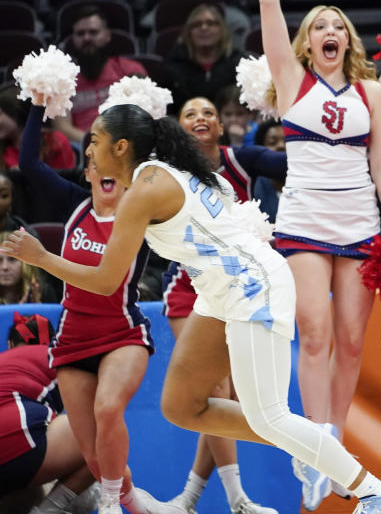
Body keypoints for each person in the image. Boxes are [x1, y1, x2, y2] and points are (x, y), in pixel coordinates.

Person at [0, 103, 381, 514]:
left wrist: (42, 257)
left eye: (95, 142)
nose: (87, 151)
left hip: (252, 287)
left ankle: (378, 493)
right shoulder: (163, 172)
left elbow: (108, 281)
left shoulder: (147, 189)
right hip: (218, 291)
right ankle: (310, 441)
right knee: (182, 406)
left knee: (270, 415)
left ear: (121, 147)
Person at [251, 0, 381, 510]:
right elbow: (268, 2)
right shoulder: (291, 82)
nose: (329, 31)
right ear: (307, 42)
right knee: (312, 332)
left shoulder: (372, 94)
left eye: (337, 25)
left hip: (361, 223)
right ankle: (314, 445)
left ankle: (333, 444)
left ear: (349, 40)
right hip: (305, 222)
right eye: (319, 26)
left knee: (349, 340)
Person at [17, 99, 179, 514]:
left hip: (122, 330)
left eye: (103, 154)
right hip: (73, 337)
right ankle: (136, 505)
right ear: (86, 173)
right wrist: (38, 104)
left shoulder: (139, 211)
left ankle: (110, 505)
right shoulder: (73, 202)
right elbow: (30, 163)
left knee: (109, 408)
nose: (98, 166)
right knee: (93, 456)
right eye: (91, 160)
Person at [162, 96, 286, 514]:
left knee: (221, 397)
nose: (200, 118)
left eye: (208, 113)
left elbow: (300, 165)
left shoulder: (244, 159)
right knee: (212, 388)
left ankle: (187, 500)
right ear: (179, 128)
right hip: (188, 289)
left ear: (222, 126)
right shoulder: (166, 174)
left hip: (240, 290)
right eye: (190, 114)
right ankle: (238, 500)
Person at [0, 314, 97, 514]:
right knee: (105, 436)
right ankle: (50, 511)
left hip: (16, 456)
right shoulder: (58, 357)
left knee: (25, 493)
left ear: (10, 344)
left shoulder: (4, 362)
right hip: (17, 447)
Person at [54, 6, 147, 143]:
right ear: (73, 39)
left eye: (93, 32)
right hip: (81, 147)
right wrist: (98, 144)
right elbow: (62, 128)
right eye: (80, 33)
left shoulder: (130, 70)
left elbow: (144, 118)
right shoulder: (62, 79)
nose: (86, 38)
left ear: (107, 35)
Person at [161, 5, 244, 113]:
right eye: (196, 25)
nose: (204, 28)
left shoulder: (239, 65)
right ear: (189, 33)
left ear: (222, 30)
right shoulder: (170, 68)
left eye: (211, 23)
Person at [251, 120, 286, 223]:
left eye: (287, 141)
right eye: (272, 142)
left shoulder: (307, 183)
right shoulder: (253, 186)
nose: (281, 146)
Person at [0, 231, 44, 303]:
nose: (5, 267)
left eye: (12, 259)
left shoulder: (41, 290)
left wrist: (37, 308)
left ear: (25, 263)